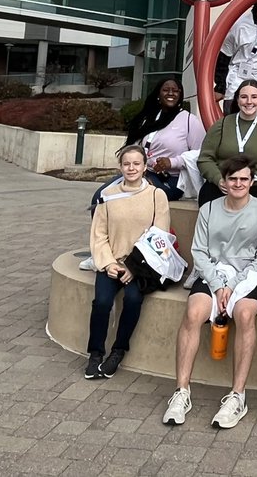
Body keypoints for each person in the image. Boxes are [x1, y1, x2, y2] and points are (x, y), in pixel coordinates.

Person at [162, 155, 257, 429]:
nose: (238, 183)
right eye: (233, 179)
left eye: (244, 179)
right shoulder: (208, 210)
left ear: (252, 181)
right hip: (213, 275)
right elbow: (199, 252)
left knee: (245, 314)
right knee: (193, 313)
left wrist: (233, 286)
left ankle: (237, 395)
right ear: (224, 182)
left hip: (248, 279)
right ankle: (181, 392)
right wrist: (218, 285)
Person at [84, 144, 171, 379]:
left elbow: (159, 236)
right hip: (112, 261)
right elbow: (99, 234)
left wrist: (132, 267)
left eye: (136, 164)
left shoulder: (156, 195)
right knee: (101, 302)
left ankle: (118, 351)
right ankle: (95, 353)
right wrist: (109, 263)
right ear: (120, 167)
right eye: (126, 164)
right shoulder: (107, 196)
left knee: (133, 299)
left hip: (140, 265)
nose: (131, 168)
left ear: (145, 167)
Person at [197, 80, 257, 206]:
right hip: (223, 183)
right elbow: (205, 159)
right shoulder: (221, 125)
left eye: (254, 97)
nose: (249, 102)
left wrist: (249, 180)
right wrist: (219, 179)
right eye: (244, 97)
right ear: (237, 100)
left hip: (255, 186)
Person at [121, 76, 206, 201]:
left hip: (173, 180)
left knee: (138, 193)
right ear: (158, 94)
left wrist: (172, 162)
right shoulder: (149, 118)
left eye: (175, 90)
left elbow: (201, 155)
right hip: (143, 173)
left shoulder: (189, 120)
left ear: (180, 94)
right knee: (102, 195)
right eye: (166, 90)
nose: (171, 93)